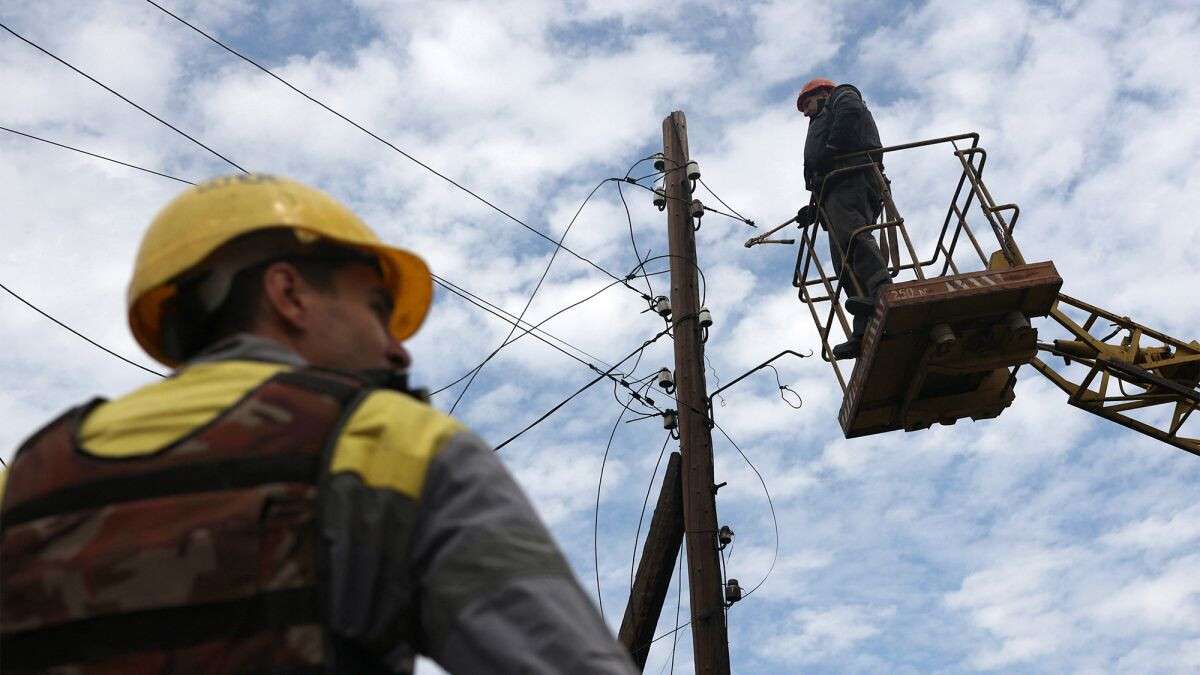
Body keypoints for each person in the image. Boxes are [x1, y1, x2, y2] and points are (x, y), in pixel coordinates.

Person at [0, 174, 637, 674]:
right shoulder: (392, 442)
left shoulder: (28, 478)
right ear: (289, 295)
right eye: (376, 309)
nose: (398, 351)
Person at [797, 77, 891, 360]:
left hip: (852, 177)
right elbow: (821, 168)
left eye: (807, 104)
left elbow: (850, 113)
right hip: (833, 189)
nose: (806, 112)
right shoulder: (821, 120)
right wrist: (814, 210)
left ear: (823, 93)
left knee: (853, 236)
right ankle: (862, 328)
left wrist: (832, 150)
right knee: (843, 261)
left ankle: (882, 289)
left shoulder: (842, 95)